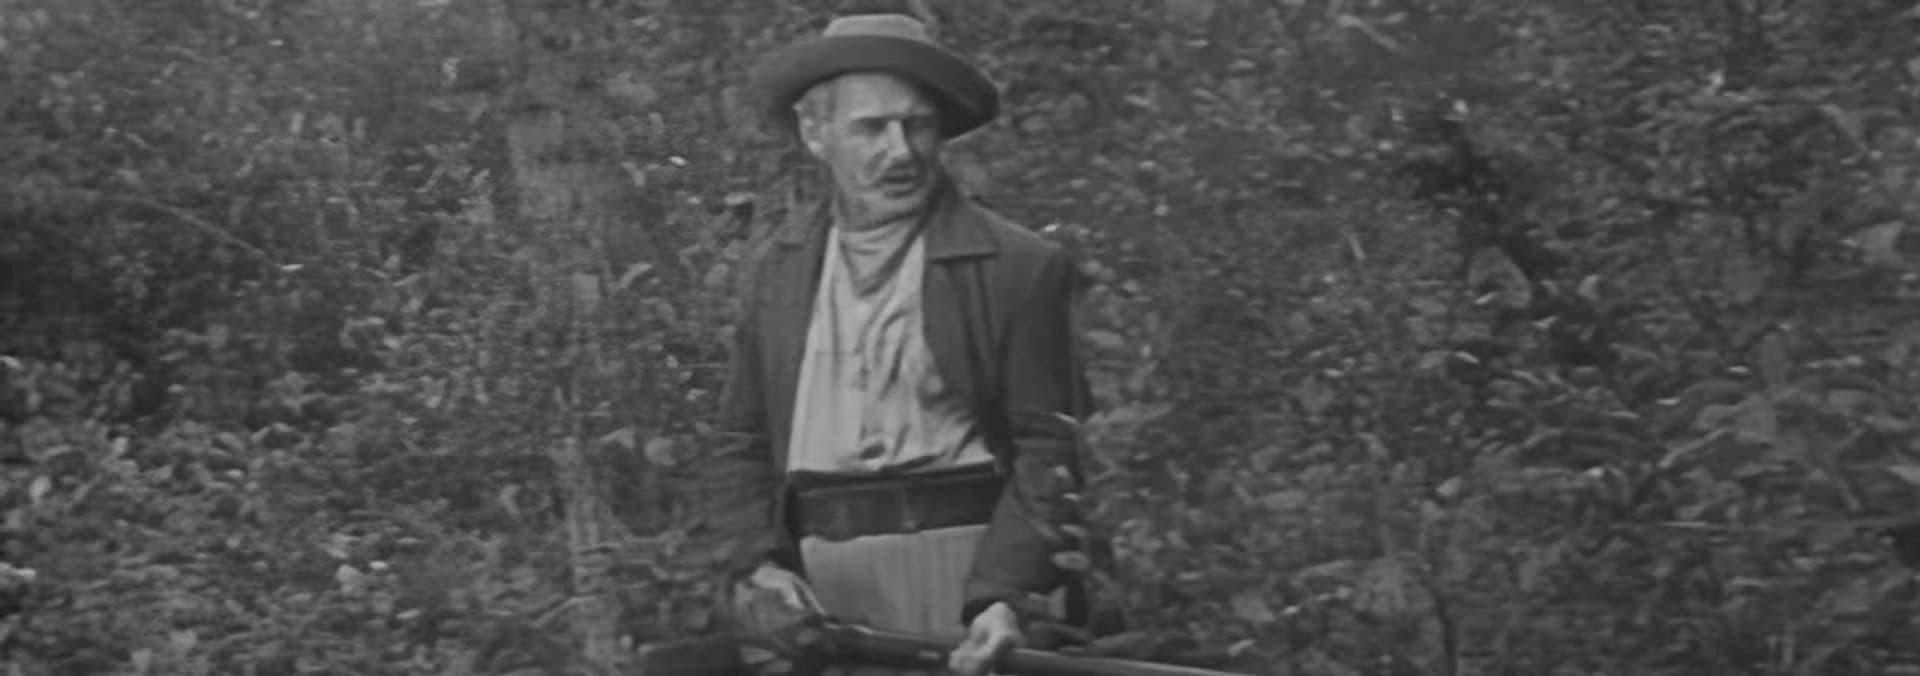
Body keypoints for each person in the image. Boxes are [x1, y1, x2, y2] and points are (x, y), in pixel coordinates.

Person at [697, 10, 1095, 676]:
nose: (900, 151)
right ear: (816, 133)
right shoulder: (777, 271)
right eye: (871, 128)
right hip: (821, 590)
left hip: (968, 574)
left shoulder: (1018, 267)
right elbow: (741, 441)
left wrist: (1007, 596)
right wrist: (757, 565)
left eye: (917, 125)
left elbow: (1050, 450)